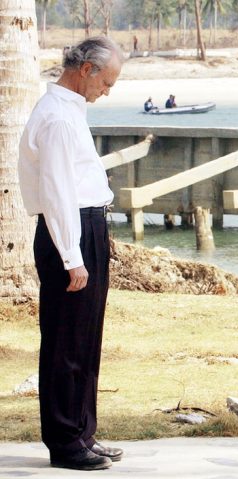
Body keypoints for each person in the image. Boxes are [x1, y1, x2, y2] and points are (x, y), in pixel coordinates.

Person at [18, 36, 125, 471]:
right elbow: (58, 192)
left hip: (85, 226)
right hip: (71, 231)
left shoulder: (68, 111)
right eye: (108, 81)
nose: (108, 90)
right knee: (66, 343)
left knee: (86, 339)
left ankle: (82, 431)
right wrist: (72, 255)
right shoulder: (59, 118)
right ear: (87, 70)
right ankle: (65, 441)